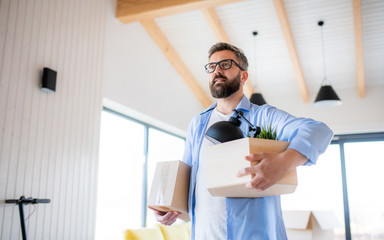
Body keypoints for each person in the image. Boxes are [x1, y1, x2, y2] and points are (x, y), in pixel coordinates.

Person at [152, 42, 333, 239]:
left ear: (244, 75)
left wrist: (284, 162)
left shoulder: (264, 116)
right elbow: (188, 181)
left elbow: (319, 130)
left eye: (226, 64)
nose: (217, 71)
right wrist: (168, 209)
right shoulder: (198, 124)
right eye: (211, 67)